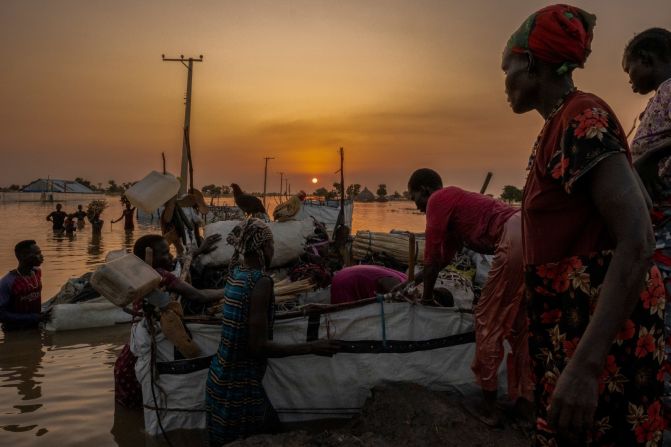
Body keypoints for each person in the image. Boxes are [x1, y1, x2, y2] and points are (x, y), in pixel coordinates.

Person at [503, 5, 665, 445]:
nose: (505, 81)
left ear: (533, 64)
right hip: (572, 331)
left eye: (509, 67)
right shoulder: (563, 122)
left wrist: (585, 367)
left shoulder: (583, 117)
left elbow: (638, 237)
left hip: (600, 349)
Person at [403, 168, 532, 426]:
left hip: (514, 236)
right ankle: (525, 404)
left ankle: (489, 407)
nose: (416, 206)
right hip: (528, 232)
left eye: (414, 197)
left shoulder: (439, 200)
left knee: (486, 318)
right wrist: (411, 282)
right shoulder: (454, 209)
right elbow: (438, 262)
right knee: (519, 323)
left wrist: (426, 300)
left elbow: (429, 260)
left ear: (426, 190)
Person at [206, 218, 339, 446]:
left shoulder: (236, 274)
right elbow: (257, 347)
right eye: (271, 244)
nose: (273, 249)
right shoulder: (261, 282)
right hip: (239, 386)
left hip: (219, 376)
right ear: (263, 248)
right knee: (271, 437)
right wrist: (312, 347)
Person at [113, 233, 225, 409]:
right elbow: (200, 296)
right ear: (149, 258)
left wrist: (196, 252)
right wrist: (231, 289)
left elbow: (180, 261)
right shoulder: (159, 276)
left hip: (128, 359)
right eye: (165, 253)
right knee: (147, 408)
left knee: (134, 413)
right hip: (138, 364)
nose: (170, 256)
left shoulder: (140, 273)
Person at [624, 26, 671, 427]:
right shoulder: (662, 96)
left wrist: (648, 157)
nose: (630, 80)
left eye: (630, 70)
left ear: (649, 60)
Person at [0, 240, 50, 331]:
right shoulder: (7, 282)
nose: (41, 256)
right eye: (37, 253)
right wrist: (32, 317)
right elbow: (1, 314)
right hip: (15, 333)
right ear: (23, 256)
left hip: (36, 327)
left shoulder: (37, 272)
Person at [330, 265, 407, 304]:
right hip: (345, 281)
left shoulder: (404, 278)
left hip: (344, 275)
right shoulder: (397, 283)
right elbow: (400, 296)